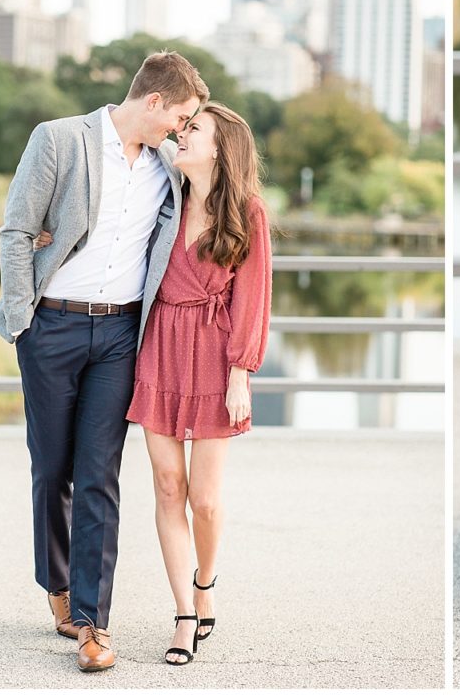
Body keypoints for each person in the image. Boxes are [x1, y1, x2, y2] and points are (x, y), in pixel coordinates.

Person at [0, 51, 207, 671]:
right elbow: (16, 229)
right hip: (51, 325)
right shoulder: (60, 139)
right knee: (51, 468)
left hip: (119, 338)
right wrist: (22, 320)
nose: (181, 130)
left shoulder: (170, 167)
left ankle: (92, 623)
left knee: (99, 476)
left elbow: (210, 194)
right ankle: (56, 585)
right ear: (154, 102)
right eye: (181, 117)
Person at [123, 102, 272, 666]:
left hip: (214, 356)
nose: (181, 136)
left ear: (220, 148)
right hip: (159, 348)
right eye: (182, 129)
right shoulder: (165, 201)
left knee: (205, 500)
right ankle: (184, 614)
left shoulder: (249, 213)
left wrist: (242, 372)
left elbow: (254, 297)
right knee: (168, 485)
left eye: (194, 130)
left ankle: (205, 582)